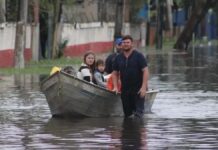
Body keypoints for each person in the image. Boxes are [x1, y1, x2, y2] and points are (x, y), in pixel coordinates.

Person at [112, 35, 149, 118]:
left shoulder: (139, 56)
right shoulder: (118, 58)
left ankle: (139, 130)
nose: (125, 44)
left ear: (132, 44)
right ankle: (128, 131)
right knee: (128, 116)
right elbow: (114, 73)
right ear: (121, 44)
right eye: (124, 43)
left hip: (138, 90)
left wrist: (143, 87)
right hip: (125, 90)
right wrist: (115, 87)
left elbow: (145, 71)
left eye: (128, 42)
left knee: (138, 116)